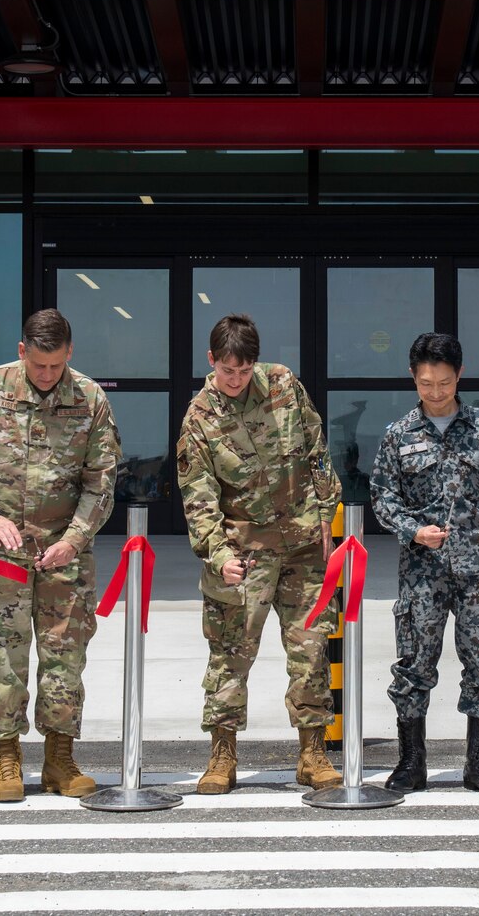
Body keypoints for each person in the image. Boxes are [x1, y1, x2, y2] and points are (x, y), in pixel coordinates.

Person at [0, 308, 120, 802]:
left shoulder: (89, 398)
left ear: (70, 355)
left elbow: (102, 481)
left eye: (56, 365)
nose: (47, 375)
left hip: (64, 553)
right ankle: (5, 761)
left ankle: (60, 761)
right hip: (0, 553)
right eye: (39, 365)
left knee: (64, 657)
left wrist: (76, 538)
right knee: (2, 654)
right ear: (23, 352)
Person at [176, 313, 342, 795]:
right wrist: (217, 553)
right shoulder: (200, 418)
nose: (236, 380)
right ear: (211, 361)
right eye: (228, 371)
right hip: (243, 553)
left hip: (303, 544)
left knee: (310, 650)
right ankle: (222, 754)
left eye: (244, 371)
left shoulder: (284, 384)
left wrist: (325, 514)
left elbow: (317, 451)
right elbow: (198, 494)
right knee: (231, 655)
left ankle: (312, 753)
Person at [370, 332, 479, 793]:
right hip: (422, 572)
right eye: (426, 383)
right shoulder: (399, 435)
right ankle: (411, 762)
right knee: (414, 663)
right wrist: (413, 530)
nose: (436, 393)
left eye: (445, 382)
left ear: (460, 376)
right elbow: (381, 496)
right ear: (413, 379)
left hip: (478, 571)